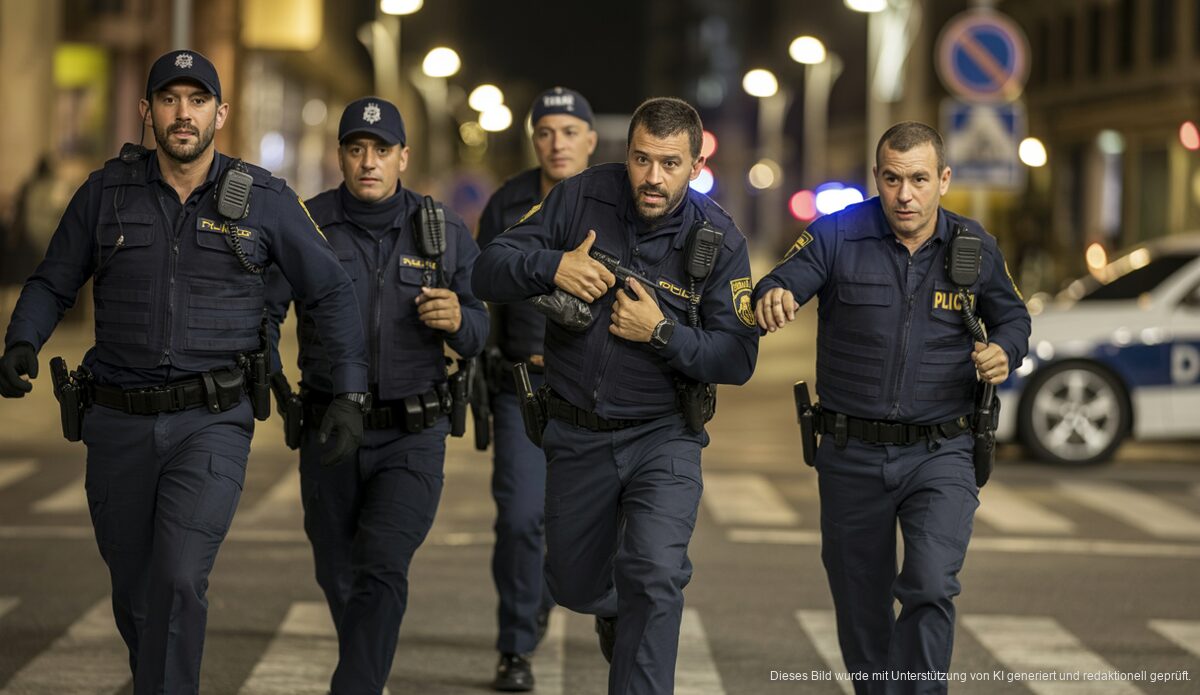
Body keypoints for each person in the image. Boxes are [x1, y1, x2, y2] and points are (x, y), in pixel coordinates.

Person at [0, 50, 369, 694]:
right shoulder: (104, 194)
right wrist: (22, 340)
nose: (183, 114)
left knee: (176, 579)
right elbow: (53, 281)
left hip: (211, 420)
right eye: (169, 100)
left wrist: (348, 392)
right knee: (136, 592)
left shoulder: (265, 199)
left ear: (220, 114)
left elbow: (331, 292)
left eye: (197, 101)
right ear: (147, 112)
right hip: (115, 421)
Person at [473, 97, 758, 695]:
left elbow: (738, 358)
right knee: (574, 585)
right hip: (575, 431)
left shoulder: (718, 240)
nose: (653, 178)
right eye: (642, 160)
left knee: (655, 576)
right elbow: (489, 269)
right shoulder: (579, 197)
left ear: (696, 162)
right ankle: (610, 604)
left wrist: (663, 333)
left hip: (664, 436)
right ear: (625, 154)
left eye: (671, 164)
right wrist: (552, 267)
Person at [754, 121, 1031, 694]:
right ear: (876, 178)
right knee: (862, 608)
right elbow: (783, 280)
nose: (906, 194)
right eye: (893, 178)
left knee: (930, 584)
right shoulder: (836, 235)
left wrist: (1005, 350)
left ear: (944, 180)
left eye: (920, 179)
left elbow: (1014, 317)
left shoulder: (974, 246)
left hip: (943, 449)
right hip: (852, 452)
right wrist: (774, 295)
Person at [264, 96, 488, 695]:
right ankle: (365, 668)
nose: (369, 162)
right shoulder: (305, 225)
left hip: (413, 432)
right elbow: (264, 309)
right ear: (341, 154)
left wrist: (457, 319)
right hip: (329, 425)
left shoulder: (439, 230)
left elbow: (481, 329)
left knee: (383, 564)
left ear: (403, 157)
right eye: (357, 149)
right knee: (337, 571)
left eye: (382, 150)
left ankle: (356, 685)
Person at [476, 86, 597, 692]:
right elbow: (483, 285)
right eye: (546, 132)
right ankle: (517, 645)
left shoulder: (614, 201)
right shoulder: (508, 202)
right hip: (522, 385)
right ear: (534, 140)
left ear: (591, 141)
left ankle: (574, 596)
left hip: (596, 391)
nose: (557, 143)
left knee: (586, 521)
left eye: (569, 131)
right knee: (521, 516)